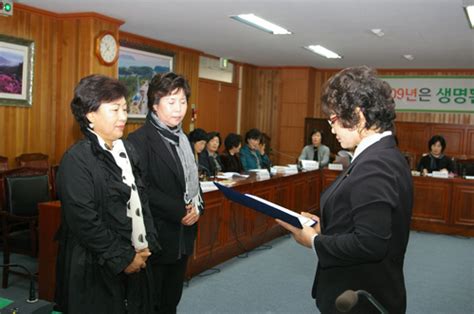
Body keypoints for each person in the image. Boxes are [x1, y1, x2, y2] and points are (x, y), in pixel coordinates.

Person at [276, 66, 413, 313]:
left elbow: (370, 243)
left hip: (361, 297)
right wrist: (324, 226)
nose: (331, 128)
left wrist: (315, 241)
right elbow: (363, 219)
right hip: (361, 288)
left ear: (358, 116)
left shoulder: (375, 165)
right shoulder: (380, 154)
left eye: (334, 120)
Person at [55, 75, 158, 313]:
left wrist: (146, 243)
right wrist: (124, 259)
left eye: (124, 108)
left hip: (136, 255)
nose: (124, 116)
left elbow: (141, 200)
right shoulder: (76, 160)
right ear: (91, 115)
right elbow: (85, 221)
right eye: (115, 110)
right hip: (94, 265)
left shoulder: (127, 150)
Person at [128, 72, 203, 314]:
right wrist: (179, 210)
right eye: (171, 102)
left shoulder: (184, 139)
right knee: (152, 302)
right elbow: (141, 188)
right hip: (157, 235)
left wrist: (197, 207)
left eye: (182, 102)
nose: (179, 109)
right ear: (154, 104)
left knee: (172, 300)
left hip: (184, 235)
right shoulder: (139, 140)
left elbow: (193, 182)